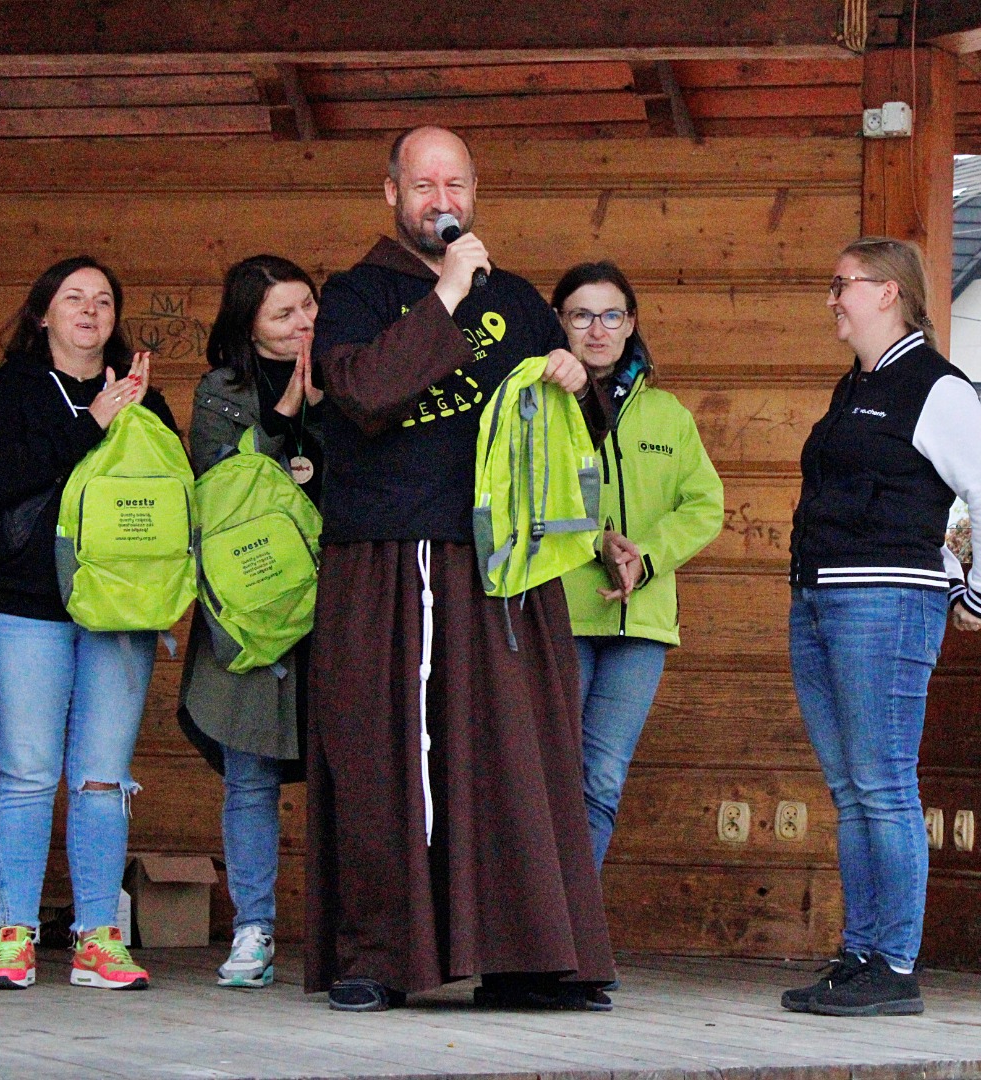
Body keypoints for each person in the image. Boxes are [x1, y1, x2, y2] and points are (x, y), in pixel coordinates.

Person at [306, 125, 616, 1012]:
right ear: (391, 193)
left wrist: (573, 376)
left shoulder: (516, 298)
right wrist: (442, 297)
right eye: (423, 185)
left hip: (499, 568)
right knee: (382, 757)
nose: (441, 200)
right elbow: (361, 393)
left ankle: (528, 959)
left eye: (455, 184)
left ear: (475, 191)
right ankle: (379, 958)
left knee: (514, 764)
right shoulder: (356, 295)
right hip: (384, 558)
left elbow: (574, 432)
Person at [781, 237, 981, 1017]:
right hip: (822, 601)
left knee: (882, 787)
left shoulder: (933, 388)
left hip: (883, 605)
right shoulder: (857, 385)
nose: (831, 300)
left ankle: (893, 965)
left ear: (887, 292)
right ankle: (858, 954)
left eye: (840, 285)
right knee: (853, 791)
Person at [0, 256, 177, 991]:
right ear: (42, 315)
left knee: (101, 779)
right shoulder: (13, 390)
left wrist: (129, 415)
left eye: (103, 301)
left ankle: (97, 939)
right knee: (27, 774)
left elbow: (168, 495)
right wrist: (92, 424)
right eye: (73, 299)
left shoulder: (143, 399)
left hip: (122, 609)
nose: (90, 311)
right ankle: (14, 938)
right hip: (26, 607)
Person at [177, 255, 322, 989]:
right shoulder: (219, 391)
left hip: (332, 598)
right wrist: (284, 422)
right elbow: (217, 490)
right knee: (249, 775)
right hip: (249, 597)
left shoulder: (349, 370)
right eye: (283, 314)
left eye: (308, 308)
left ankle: (349, 929)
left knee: (349, 770)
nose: (302, 325)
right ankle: (254, 930)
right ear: (248, 325)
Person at [552, 262, 724, 875]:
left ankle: (577, 942)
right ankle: (542, 938)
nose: (597, 329)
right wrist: (599, 540)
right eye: (581, 315)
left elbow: (705, 505)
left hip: (640, 623)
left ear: (631, 324)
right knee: (551, 777)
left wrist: (644, 557)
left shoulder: (667, 414)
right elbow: (529, 495)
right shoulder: (541, 407)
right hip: (562, 614)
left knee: (601, 776)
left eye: (611, 315)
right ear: (560, 323)